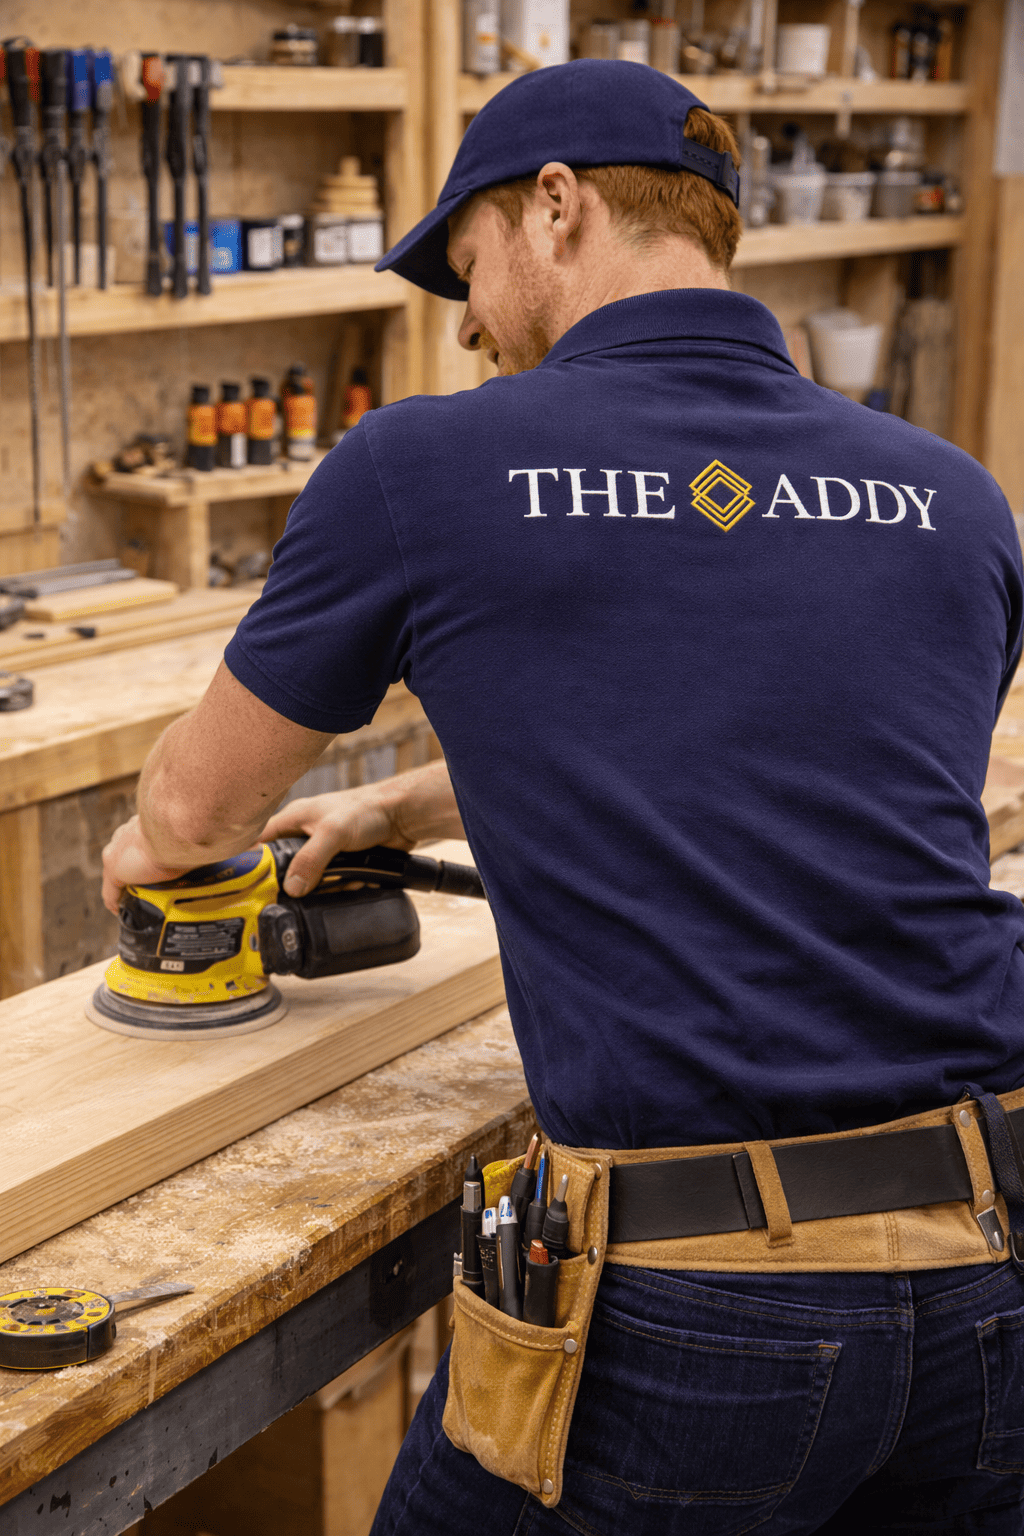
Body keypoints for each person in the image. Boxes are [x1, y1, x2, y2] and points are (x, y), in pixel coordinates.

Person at [102, 60, 1024, 1535]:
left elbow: (198, 824)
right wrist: (398, 811)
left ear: (556, 205)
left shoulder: (423, 464)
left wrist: (146, 842)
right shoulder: (956, 496)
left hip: (700, 1314)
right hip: (992, 1279)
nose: (465, 322)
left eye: (468, 269)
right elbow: (763, 745)